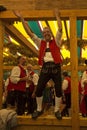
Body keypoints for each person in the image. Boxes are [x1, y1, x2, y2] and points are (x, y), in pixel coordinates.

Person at [14, 9, 63, 120]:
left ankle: (57, 110)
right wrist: (21, 18)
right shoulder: (39, 42)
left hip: (56, 67)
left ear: (51, 33)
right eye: (44, 32)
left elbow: (60, 28)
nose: (46, 34)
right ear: (43, 34)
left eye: (48, 32)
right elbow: (29, 33)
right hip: (45, 67)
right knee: (39, 88)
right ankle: (39, 109)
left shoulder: (56, 40)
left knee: (59, 89)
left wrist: (57, 16)